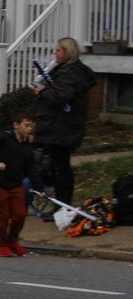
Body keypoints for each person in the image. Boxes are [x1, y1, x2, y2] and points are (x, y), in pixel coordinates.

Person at [31, 37, 96, 206]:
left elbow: (61, 96)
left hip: (62, 127)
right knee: (56, 166)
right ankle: (59, 204)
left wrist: (41, 92)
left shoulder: (70, 72)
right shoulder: (66, 70)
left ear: (67, 52)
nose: (55, 52)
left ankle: (63, 205)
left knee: (60, 167)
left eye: (58, 50)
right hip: (59, 126)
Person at [0, 110, 43, 257]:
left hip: (16, 184)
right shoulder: (4, 138)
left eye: (31, 126)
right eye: (26, 125)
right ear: (16, 125)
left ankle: (13, 241)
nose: (30, 129)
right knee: (2, 216)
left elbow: (31, 168)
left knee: (20, 214)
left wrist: (39, 187)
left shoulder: (27, 147)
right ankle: (3, 245)